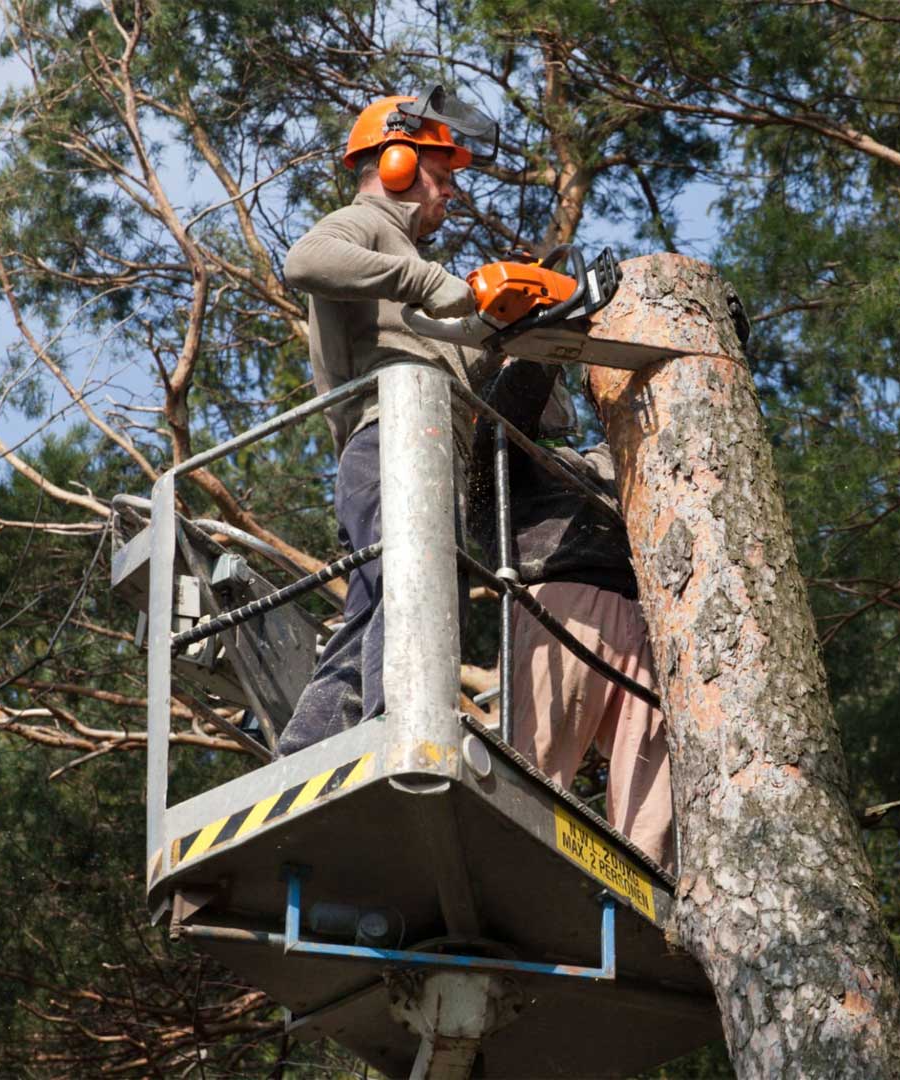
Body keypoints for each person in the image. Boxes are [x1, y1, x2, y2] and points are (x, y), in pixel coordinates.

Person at [277, 86, 501, 754]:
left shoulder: (412, 263)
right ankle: (397, 727)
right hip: (391, 441)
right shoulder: (366, 227)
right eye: (441, 176)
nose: (452, 194)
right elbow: (303, 262)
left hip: (428, 447)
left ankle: (313, 746)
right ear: (397, 162)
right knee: (413, 585)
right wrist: (425, 283)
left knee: (381, 598)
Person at [470, 360, 674, 872]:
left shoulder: (590, 463)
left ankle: (648, 886)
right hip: (564, 601)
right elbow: (510, 403)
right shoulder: (498, 454)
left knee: (659, 788)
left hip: (646, 615)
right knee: (536, 763)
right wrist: (541, 348)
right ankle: (516, 870)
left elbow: (653, 422)